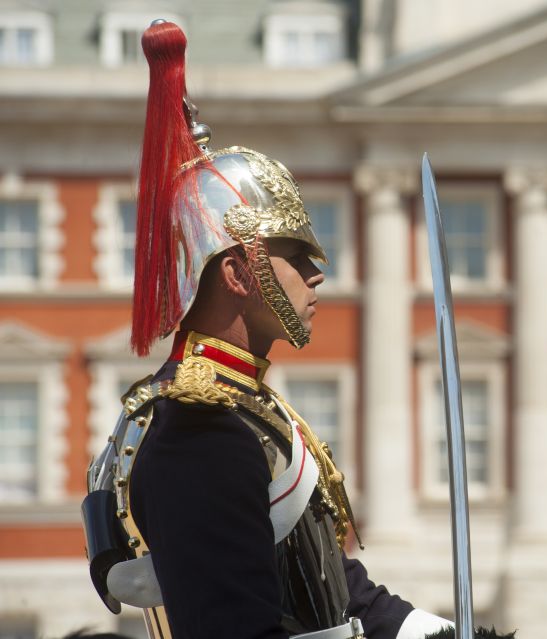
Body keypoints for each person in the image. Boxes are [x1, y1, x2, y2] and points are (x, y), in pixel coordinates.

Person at [80, 21, 485, 639]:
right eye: (296, 256)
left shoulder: (247, 410)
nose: (316, 276)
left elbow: (339, 588)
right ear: (239, 272)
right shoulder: (201, 429)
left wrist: (440, 634)